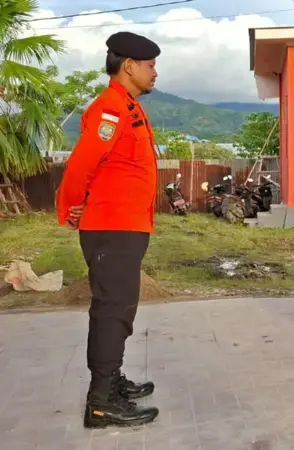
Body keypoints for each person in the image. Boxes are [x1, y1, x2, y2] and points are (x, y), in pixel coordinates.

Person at [56, 31, 162, 429]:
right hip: (111, 228)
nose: (155, 72)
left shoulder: (128, 107)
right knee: (113, 311)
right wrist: (69, 206)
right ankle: (100, 403)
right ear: (129, 66)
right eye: (150, 65)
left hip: (126, 226)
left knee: (119, 309)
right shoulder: (110, 110)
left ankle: (111, 381)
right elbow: (82, 164)